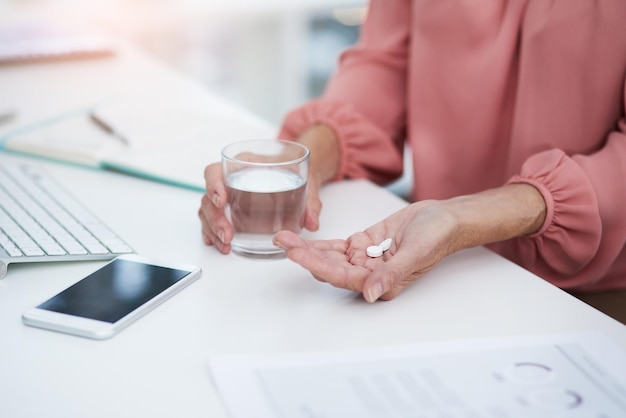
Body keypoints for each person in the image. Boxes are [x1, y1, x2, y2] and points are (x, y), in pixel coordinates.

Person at [198, 0, 626, 305]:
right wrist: (305, 162)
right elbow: (387, 63)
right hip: (436, 272)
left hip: (591, 293)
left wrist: (463, 218)